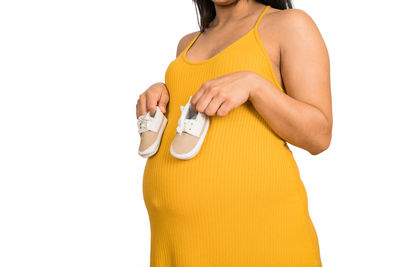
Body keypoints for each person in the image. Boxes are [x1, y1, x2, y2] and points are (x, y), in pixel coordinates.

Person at [136, 0, 332, 266]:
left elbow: (319, 136)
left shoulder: (290, 25)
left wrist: (256, 86)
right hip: (178, 242)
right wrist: (162, 95)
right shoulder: (187, 44)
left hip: (260, 240)